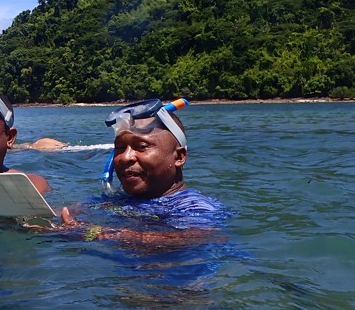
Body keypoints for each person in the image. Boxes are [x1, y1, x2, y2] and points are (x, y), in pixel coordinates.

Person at [60, 98, 230, 246]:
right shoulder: (116, 200)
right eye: (119, 148)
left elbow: (200, 237)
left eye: (141, 147)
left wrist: (96, 233)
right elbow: (69, 212)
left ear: (178, 157)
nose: (125, 157)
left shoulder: (195, 206)